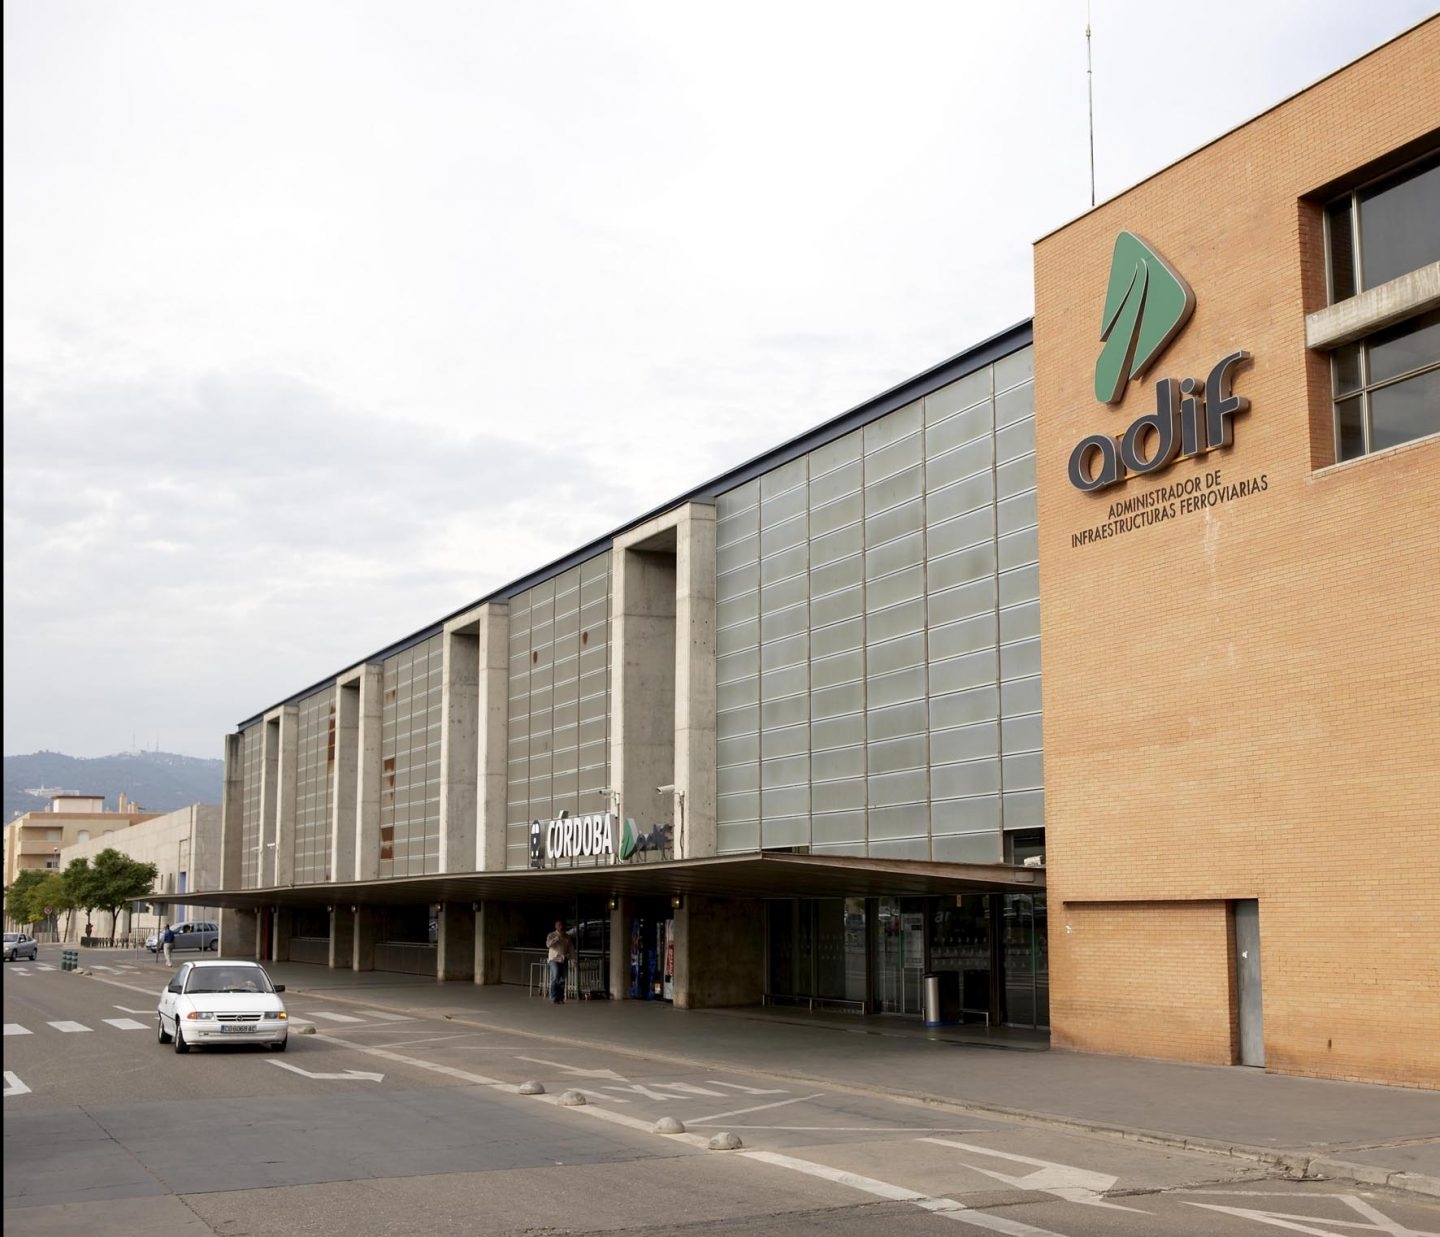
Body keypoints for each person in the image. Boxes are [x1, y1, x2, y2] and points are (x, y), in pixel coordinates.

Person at [545, 920, 574, 1004]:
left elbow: (571, 948)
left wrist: (573, 959)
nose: (561, 927)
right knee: (556, 975)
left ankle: (560, 997)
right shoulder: (551, 935)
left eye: (562, 925)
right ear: (556, 926)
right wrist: (557, 938)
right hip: (554, 959)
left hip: (563, 958)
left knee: (562, 979)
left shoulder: (567, 936)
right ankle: (554, 997)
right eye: (559, 925)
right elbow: (548, 945)